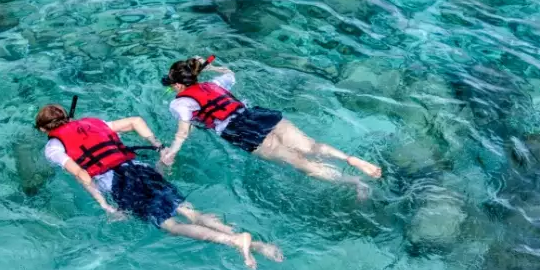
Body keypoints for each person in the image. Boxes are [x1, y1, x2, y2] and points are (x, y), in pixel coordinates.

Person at [34, 104, 282, 269]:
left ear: (46, 129)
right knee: (189, 211)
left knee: (171, 226)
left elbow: (82, 174)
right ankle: (257, 246)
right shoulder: (95, 122)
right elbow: (135, 121)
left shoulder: (53, 147)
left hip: (121, 183)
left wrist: (106, 207)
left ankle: (236, 241)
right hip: (140, 168)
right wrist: (157, 145)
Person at [159, 57, 382, 195]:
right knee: (309, 146)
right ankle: (349, 159)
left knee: (299, 162)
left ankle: (354, 181)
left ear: (178, 85)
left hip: (241, 131)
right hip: (257, 115)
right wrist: (212, 68)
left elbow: (182, 132)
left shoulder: (180, 103)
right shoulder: (215, 83)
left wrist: (172, 152)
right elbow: (230, 73)